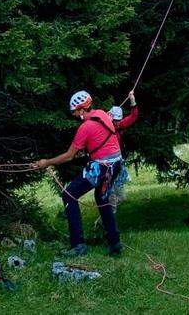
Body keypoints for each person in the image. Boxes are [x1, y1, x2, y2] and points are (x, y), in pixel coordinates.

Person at [33, 89, 136, 257]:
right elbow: (101, 138)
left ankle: (78, 245)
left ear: (81, 109)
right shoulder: (103, 114)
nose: (74, 114)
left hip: (101, 167)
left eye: (75, 111)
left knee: (69, 195)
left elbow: (68, 156)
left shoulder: (85, 127)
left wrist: (46, 162)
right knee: (102, 198)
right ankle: (114, 242)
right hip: (116, 164)